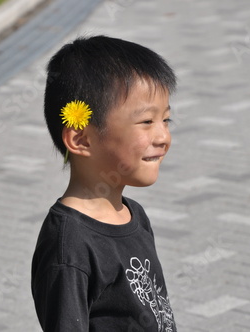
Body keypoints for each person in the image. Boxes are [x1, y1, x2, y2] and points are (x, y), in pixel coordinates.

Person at [31, 35, 178, 331]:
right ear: (81, 139)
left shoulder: (134, 215)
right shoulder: (70, 246)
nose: (162, 136)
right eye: (147, 122)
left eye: (166, 120)